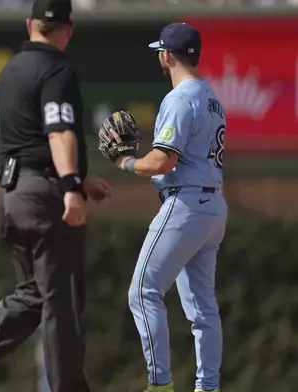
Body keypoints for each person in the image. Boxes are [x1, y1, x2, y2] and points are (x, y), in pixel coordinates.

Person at [0, 0, 112, 391]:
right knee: (60, 305)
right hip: (46, 198)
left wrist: (81, 177)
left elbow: (29, 141)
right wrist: (70, 188)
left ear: (29, 25)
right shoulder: (57, 69)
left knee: (38, 295)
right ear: (69, 28)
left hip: (11, 197)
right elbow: (57, 132)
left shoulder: (10, 70)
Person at [107, 23, 227, 392]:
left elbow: (162, 162)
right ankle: (208, 387)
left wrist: (125, 161)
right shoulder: (211, 96)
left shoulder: (179, 98)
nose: (160, 55)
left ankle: (160, 385)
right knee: (203, 308)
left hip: (187, 205)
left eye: (161, 51)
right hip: (213, 207)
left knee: (143, 291)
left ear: (168, 55)